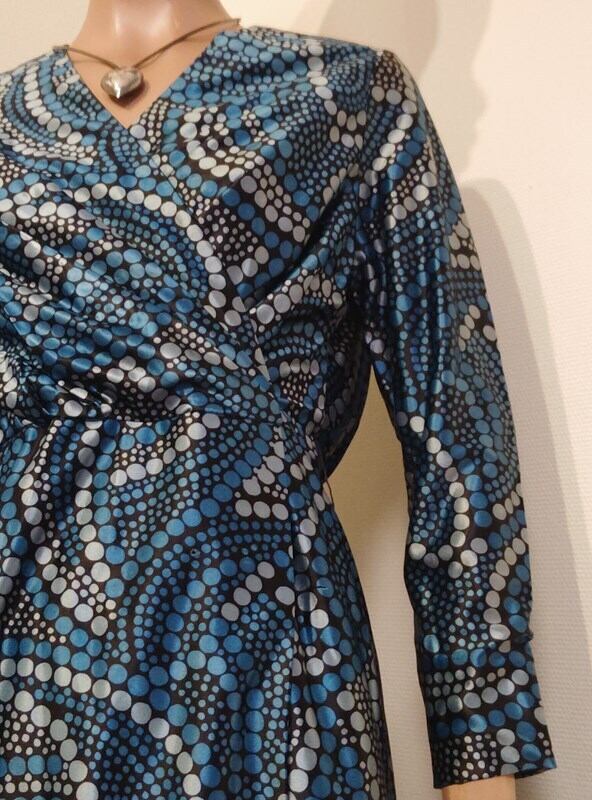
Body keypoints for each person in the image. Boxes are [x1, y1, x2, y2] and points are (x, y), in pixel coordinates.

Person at [0, 1, 558, 798]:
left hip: (272, 678)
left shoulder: (346, 95)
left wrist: (479, 753)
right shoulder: (10, 119)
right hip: (32, 671)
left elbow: (461, 441)